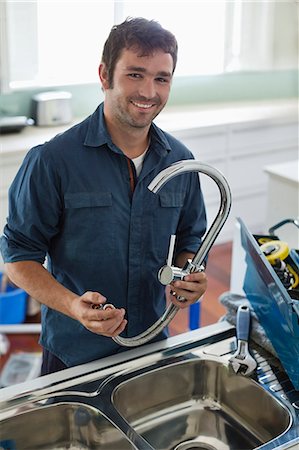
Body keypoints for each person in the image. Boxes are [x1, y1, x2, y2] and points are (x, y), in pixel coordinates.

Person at [0, 17, 207, 375]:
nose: (149, 92)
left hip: (153, 345)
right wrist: (73, 306)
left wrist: (190, 275)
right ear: (104, 75)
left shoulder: (181, 162)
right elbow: (18, 257)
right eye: (135, 74)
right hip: (73, 354)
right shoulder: (52, 161)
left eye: (162, 78)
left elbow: (191, 238)